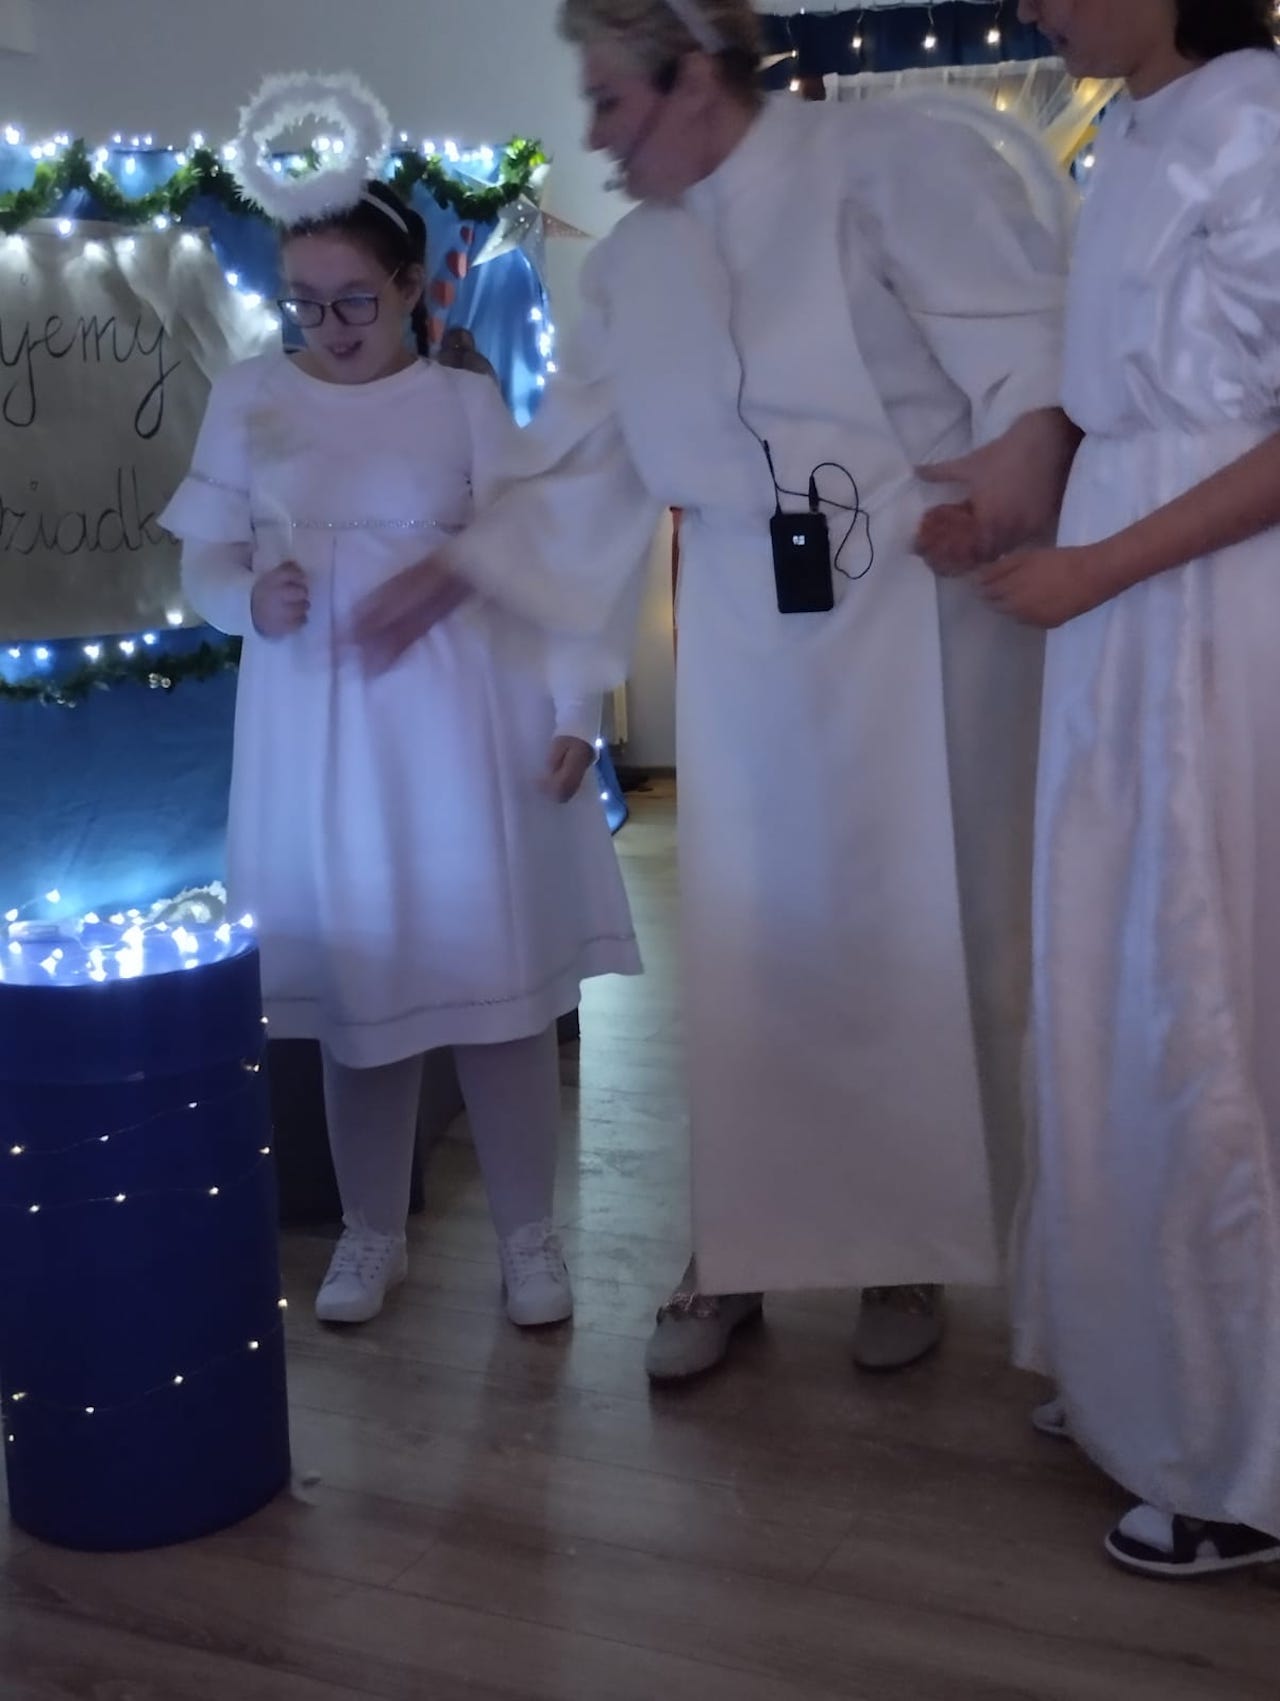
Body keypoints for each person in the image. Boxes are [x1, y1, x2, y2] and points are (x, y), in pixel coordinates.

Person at [353, 0, 1073, 1380]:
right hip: (754, 628)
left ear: (694, 80)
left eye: (609, 100)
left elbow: (1022, 347)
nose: (594, 136)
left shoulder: (883, 167)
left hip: (920, 613)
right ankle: (736, 1247)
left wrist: (1019, 463)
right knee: (755, 947)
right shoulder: (635, 265)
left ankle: (899, 1248)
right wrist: (458, 568)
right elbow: (578, 458)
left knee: (912, 938)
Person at [919, 0, 1280, 1578]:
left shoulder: (1257, 119)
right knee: (1114, 969)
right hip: (1126, 580)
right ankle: (1149, 1369)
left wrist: (1101, 564)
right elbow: (1121, 374)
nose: (1040, 6)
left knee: (1201, 986)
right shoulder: (1129, 126)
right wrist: (1034, 486)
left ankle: (1240, 1452)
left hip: (1206, 594)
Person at [160, 151, 641, 1333]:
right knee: (356, 1003)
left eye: (352, 302)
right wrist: (242, 597)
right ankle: (369, 1229)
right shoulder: (250, 397)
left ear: (411, 288)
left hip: (460, 735)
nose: (328, 329)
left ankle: (527, 1237)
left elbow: (542, 566)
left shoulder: (462, 406)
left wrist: (573, 711)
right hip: (318, 741)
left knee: (495, 995)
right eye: (304, 304)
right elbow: (201, 559)